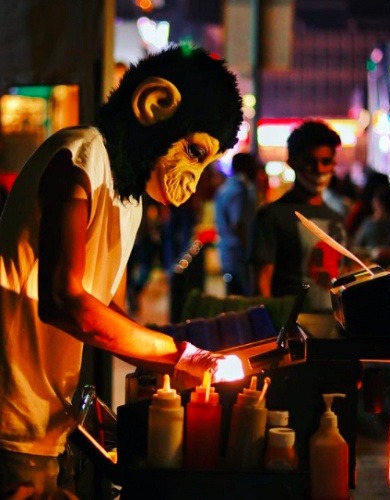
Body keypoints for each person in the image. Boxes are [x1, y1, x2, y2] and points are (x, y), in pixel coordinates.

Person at [0, 44, 244, 496]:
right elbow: (64, 301)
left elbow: (104, 307)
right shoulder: (80, 156)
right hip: (13, 417)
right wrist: (181, 354)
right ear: (154, 105)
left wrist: (168, 366)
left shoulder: (125, 194)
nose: (193, 179)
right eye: (193, 151)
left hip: (48, 420)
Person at [249, 119, 346, 312]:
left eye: (325, 161)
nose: (319, 170)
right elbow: (262, 281)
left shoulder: (337, 218)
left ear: (334, 164)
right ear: (292, 162)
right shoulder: (271, 216)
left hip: (333, 328)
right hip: (291, 329)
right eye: (310, 161)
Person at [214, 152, 258, 296]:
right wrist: (251, 250)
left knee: (232, 296)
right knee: (244, 299)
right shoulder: (239, 190)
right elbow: (239, 224)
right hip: (239, 254)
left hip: (227, 252)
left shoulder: (224, 188)